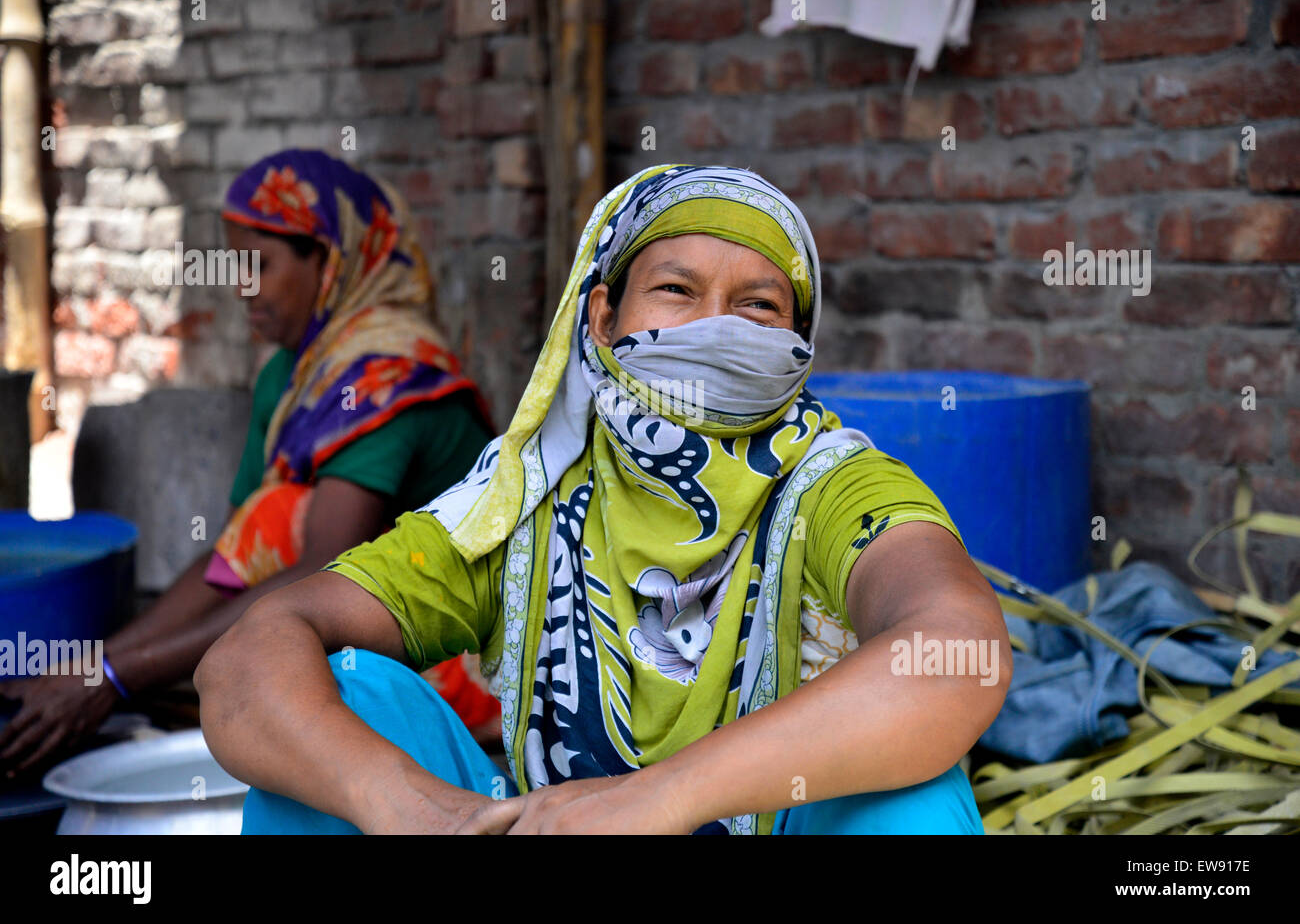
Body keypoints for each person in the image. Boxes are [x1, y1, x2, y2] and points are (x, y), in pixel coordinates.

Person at [197, 163, 1012, 835]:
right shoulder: (519, 510)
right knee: (334, 720)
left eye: (757, 304)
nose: (711, 329)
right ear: (602, 318)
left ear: (798, 343)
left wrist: (662, 795)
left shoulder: (833, 487)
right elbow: (249, 658)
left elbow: (958, 651)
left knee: (917, 801)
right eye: (676, 290)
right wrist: (404, 802)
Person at [0, 150, 498, 780]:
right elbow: (230, 558)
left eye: (261, 265)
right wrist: (91, 669)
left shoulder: (388, 380)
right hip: (338, 631)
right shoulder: (287, 378)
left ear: (328, 260)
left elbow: (325, 567)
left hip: (442, 658)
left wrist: (116, 678)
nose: (243, 289)